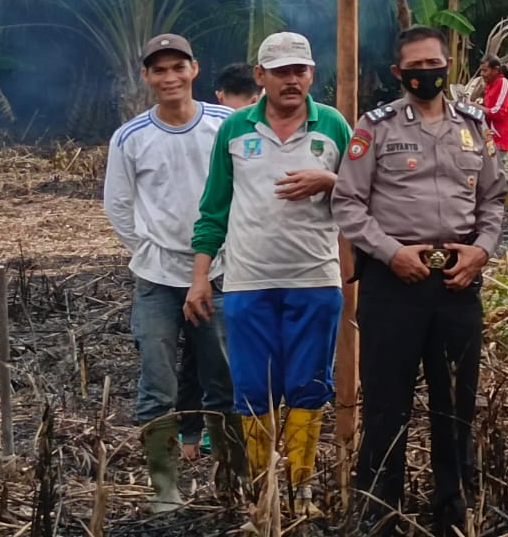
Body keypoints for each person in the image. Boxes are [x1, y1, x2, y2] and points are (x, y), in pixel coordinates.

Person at [332, 25, 508, 535]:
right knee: (387, 404)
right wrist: (391, 254)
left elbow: (494, 200)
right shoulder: (376, 127)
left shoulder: (475, 127)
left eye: (434, 63)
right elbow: (347, 202)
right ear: (399, 73)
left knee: (454, 404)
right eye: (415, 67)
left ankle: (452, 512)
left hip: (457, 284)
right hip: (394, 285)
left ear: (448, 65)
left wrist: (480, 252)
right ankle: (378, 511)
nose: (426, 73)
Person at [187, 31, 352, 513]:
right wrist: (201, 276)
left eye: (299, 70)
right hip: (247, 283)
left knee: (308, 386)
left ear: (311, 75)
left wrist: (332, 180)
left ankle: (300, 490)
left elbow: (364, 195)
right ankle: (264, 490)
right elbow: (214, 208)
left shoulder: (334, 127)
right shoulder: (235, 130)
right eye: (280, 71)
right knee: (254, 388)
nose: (291, 80)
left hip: (316, 281)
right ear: (260, 76)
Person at [103, 34, 245, 511]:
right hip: (157, 278)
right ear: (147, 77)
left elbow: (247, 187)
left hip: (221, 272)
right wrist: (148, 249)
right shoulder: (129, 137)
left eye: (177, 68)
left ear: (194, 70)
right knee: (157, 382)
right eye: (158, 70)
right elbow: (118, 206)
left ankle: (233, 481)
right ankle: (165, 489)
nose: (169, 78)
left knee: (223, 379)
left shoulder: (226, 125)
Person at [176, 62, 261, 460]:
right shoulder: (229, 129)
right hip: (188, 260)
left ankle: (210, 435)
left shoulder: (238, 128)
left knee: (212, 351)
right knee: (203, 351)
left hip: (229, 261)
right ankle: (194, 432)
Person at [479, 54, 508, 152]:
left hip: (499, 141)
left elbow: (498, 112)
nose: (482, 74)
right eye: (481, 70)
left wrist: (476, 106)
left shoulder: (503, 83)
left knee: (496, 167)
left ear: (495, 70)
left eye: (485, 70)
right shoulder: (489, 85)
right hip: (490, 139)